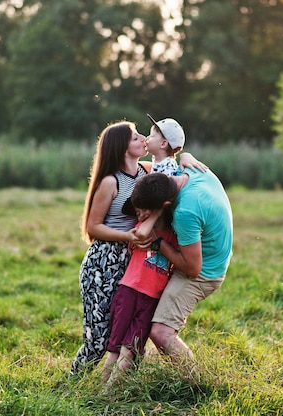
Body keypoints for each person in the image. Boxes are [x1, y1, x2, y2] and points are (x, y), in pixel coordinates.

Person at [70, 119, 204, 376]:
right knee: (99, 338)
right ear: (121, 148)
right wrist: (128, 236)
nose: (142, 137)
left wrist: (184, 155)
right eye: (134, 137)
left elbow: (169, 171)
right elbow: (93, 227)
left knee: (125, 327)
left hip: (132, 260)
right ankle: (71, 384)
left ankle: (124, 385)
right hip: (104, 261)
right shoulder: (111, 182)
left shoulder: (145, 172)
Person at [100, 115, 185, 383]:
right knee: (118, 344)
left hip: (146, 283)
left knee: (124, 345)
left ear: (163, 142)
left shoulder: (167, 174)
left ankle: (107, 390)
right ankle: (103, 389)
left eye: (148, 134)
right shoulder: (155, 168)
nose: (145, 138)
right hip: (136, 283)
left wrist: (185, 167)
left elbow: (175, 185)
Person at [130, 169, 233, 374]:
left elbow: (193, 269)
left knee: (161, 332)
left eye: (148, 212)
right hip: (218, 257)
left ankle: (195, 382)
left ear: (165, 206)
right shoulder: (193, 173)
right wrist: (186, 155)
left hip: (205, 274)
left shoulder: (185, 213)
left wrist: (159, 244)